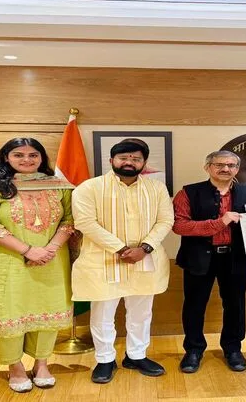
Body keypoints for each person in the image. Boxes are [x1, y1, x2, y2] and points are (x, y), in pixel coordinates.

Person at [0, 138, 74, 392]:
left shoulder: (59, 186)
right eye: (18, 155)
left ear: (42, 158)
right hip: (7, 263)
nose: (27, 159)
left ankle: (41, 364)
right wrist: (29, 250)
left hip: (51, 261)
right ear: (6, 157)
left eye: (33, 155)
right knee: (9, 311)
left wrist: (50, 249)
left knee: (48, 307)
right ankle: (14, 367)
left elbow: (70, 220)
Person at [71, 138, 174, 384]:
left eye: (136, 159)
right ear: (111, 160)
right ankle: (105, 359)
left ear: (144, 163)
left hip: (145, 260)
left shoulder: (157, 188)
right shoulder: (89, 188)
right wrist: (122, 249)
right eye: (124, 158)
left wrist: (144, 248)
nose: (129, 162)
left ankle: (136, 356)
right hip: (103, 261)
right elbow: (85, 223)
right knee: (102, 314)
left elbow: (166, 220)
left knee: (141, 312)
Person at [172, 150, 246, 373]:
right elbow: (179, 226)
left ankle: (233, 348)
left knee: (235, 305)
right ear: (208, 167)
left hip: (236, 257)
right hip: (198, 258)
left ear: (237, 169)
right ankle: (193, 350)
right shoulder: (187, 193)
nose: (225, 169)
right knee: (194, 305)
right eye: (219, 164)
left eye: (231, 165)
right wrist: (220, 222)